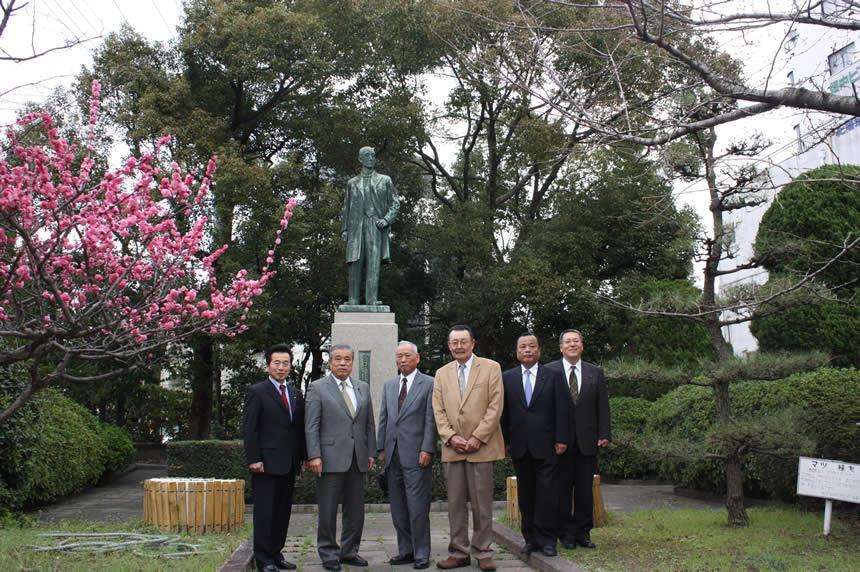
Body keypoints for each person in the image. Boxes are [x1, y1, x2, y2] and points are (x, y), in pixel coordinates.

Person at [432, 325, 505, 571]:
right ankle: (458, 552)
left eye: (464, 341)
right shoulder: (441, 373)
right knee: (455, 504)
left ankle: (483, 552)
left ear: (473, 343)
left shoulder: (491, 367)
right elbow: (438, 411)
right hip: (453, 448)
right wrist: (451, 437)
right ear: (449, 345)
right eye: (454, 342)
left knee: (482, 503)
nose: (459, 346)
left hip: (481, 447)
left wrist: (478, 437)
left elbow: (495, 406)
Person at [305, 344, 377, 571]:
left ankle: (349, 551)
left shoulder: (362, 387)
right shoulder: (317, 388)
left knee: (355, 511)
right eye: (338, 359)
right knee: (327, 511)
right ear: (330, 362)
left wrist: (371, 452)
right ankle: (328, 553)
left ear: (352, 362)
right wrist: (314, 455)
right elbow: (311, 426)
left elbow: (368, 424)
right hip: (328, 458)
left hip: (358, 458)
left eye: (347, 359)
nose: (343, 363)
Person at [501, 333, 570, 558]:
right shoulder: (507, 377)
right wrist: (505, 442)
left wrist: (561, 439)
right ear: (517, 351)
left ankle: (548, 539)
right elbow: (504, 414)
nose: (527, 350)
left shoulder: (553, 376)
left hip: (548, 446)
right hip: (520, 447)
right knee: (526, 495)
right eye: (523, 347)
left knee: (547, 494)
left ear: (539, 350)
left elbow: (563, 409)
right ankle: (530, 539)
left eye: (532, 346)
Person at [243, 343, 307, 572]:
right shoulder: (257, 392)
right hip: (265, 465)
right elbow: (250, 430)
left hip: (288, 464)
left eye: (285, 363)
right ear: (268, 365)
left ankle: (276, 553)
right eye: (276, 363)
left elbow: (298, 430)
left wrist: (304, 457)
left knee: (282, 513)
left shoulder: (295, 393)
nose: (281, 367)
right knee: (265, 514)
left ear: (291, 366)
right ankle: (263, 559)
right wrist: (254, 459)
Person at [546, 329, 611, 550]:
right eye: (568, 342)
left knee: (585, 490)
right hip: (559, 443)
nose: (572, 344)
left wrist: (604, 434)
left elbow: (602, 406)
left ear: (582, 346)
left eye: (576, 341)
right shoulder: (549, 371)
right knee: (561, 490)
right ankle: (565, 533)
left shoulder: (595, 372)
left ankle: (583, 533)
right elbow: (546, 409)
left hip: (587, 441)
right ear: (561, 347)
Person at [377, 341, 437, 569]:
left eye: (407, 356)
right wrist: (380, 447)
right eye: (399, 356)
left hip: (417, 455)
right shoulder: (389, 385)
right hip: (393, 456)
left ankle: (422, 552)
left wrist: (427, 448)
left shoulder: (429, 383)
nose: (402, 360)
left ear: (417, 358)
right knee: (398, 508)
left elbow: (431, 419)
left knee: (418, 508)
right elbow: (384, 417)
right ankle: (406, 550)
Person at [341, 146, 400, 306]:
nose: (371, 158)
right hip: (355, 227)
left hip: (375, 225)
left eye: (373, 155)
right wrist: (344, 228)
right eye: (367, 155)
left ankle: (372, 300)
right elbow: (346, 207)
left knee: (373, 263)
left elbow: (395, 202)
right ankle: (352, 300)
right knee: (354, 263)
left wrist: (386, 220)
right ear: (360, 159)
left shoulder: (385, 180)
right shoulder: (352, 183)